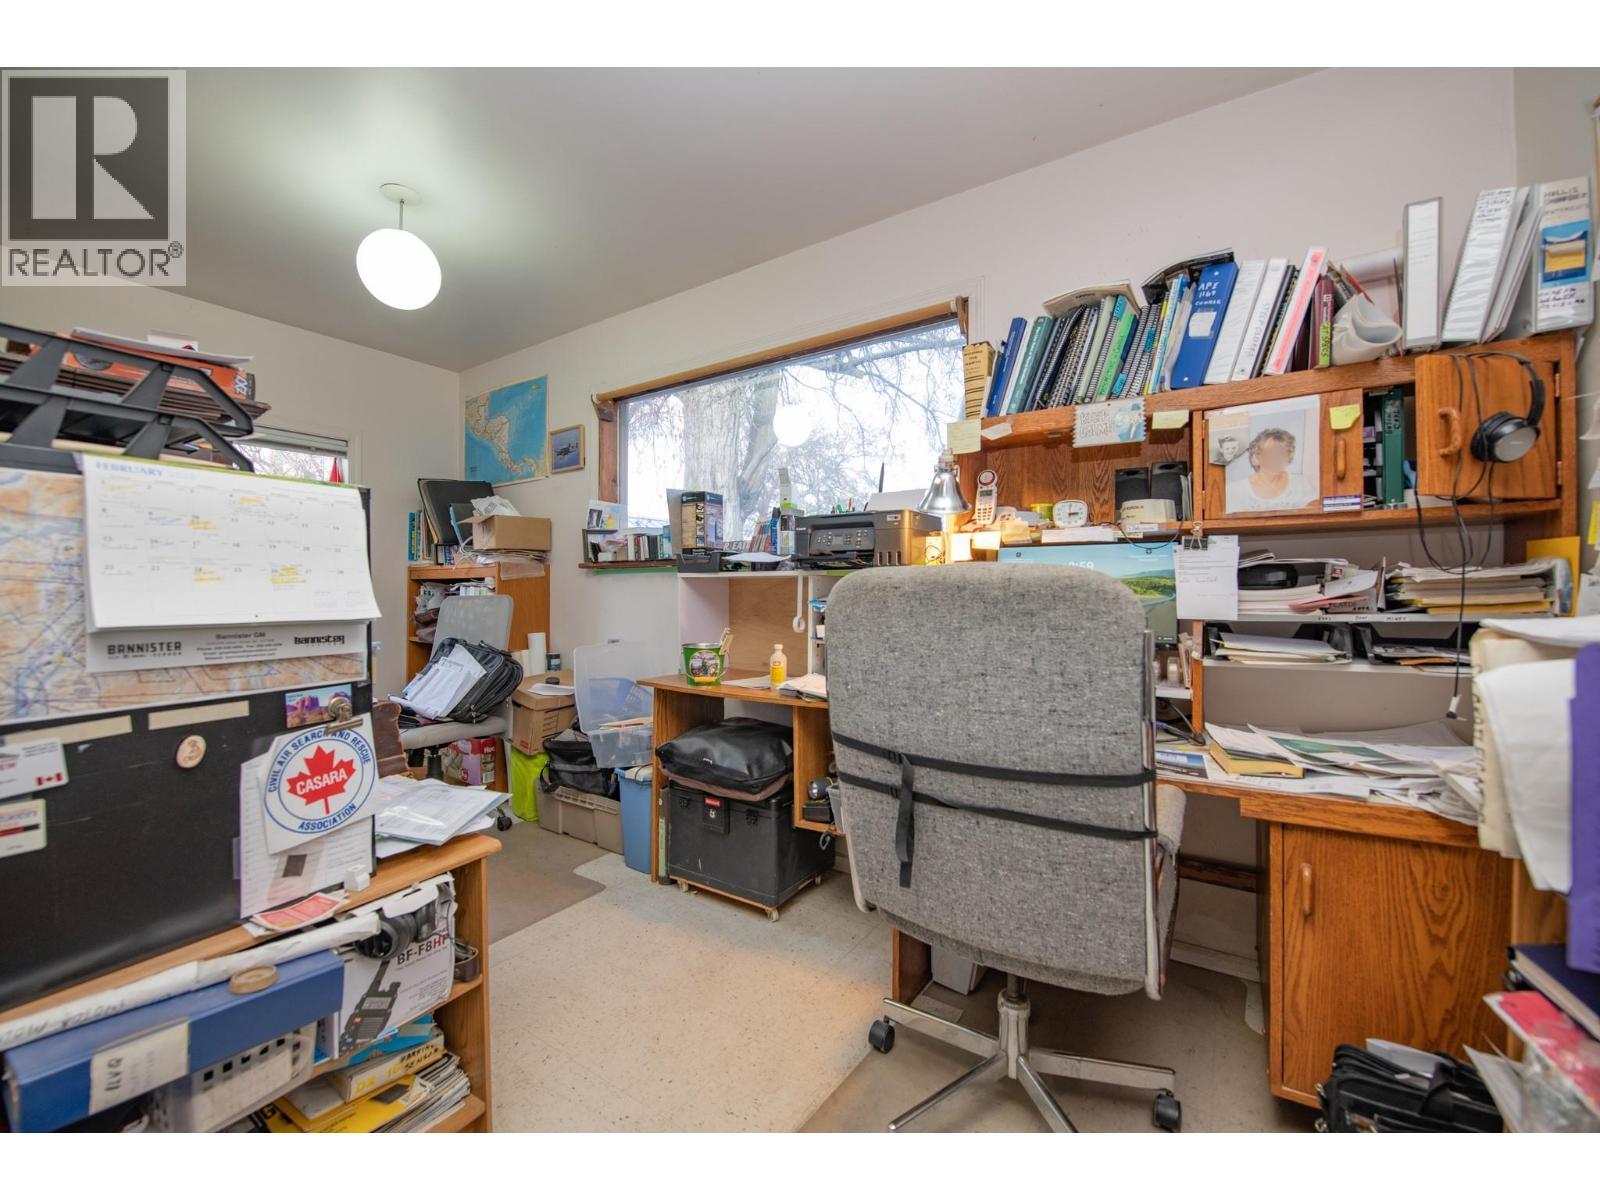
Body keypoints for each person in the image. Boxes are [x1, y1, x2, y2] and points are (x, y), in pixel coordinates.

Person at [1226, 427, 1317, 512]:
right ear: (1255, 458)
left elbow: (1315, 514)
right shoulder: (1235, 490)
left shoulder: (1300, 484)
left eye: (1283, 453)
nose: (1277, 458)